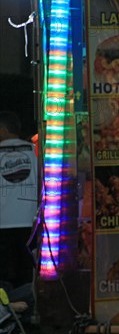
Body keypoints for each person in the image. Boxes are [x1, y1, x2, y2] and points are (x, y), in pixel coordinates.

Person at [0, 111, 38, 288]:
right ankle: (27, 308)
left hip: (3, 223)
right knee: (25, 274)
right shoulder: (34, 152)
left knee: (5, 277)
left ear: (3, 130)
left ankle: (9, 311)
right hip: (28, 222)